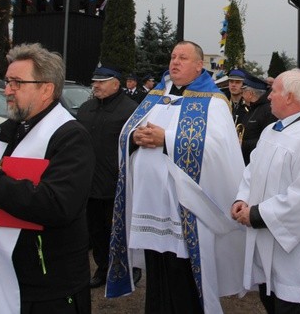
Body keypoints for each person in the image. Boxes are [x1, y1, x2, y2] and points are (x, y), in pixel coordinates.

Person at [0, 43, 95, 314]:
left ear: (46, 89)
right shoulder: (7, 130)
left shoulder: (70, 137)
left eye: (17, 83)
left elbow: (57, 205)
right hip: (6, 273)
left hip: (49, 285)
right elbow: (5, 182)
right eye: (7, 82)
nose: (7, 91)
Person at [105, 41, 245, 313]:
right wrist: (134, 137)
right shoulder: (156, 95)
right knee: (157, 270)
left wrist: (166, 139)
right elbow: (127, 132)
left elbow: (218, 150)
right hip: (150, 204)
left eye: (183, 57)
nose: (175, 62)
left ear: (198, 65)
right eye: (172, 57)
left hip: (186, 208)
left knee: (182, 271)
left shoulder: (213, 102)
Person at [232, 69, 300, 313]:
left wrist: (257, 215)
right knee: (268, 297)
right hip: (264, 236)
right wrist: (242, 198)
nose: (269, 96)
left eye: (274, 91)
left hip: (291, 246)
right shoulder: (272, 131)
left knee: (287, 305)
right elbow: (252, 170)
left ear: (290, 97)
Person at [75, 65, 137, 288]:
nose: (96, 85)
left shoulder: (131, 110)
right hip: (89, 183)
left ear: (116, 84)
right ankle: (103, 268)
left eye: (102, 81)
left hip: (117, 183)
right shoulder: (85, 109)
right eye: (94, 81)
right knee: (96, 231)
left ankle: (129, 267)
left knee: (120, 229)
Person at [240, 72, 277, 165]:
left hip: (258, 161)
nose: (242, 95)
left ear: (250, 93)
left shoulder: (268, 110)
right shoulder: (252, 108)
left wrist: (243, 144)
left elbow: (268, 139)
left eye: (244, 91)